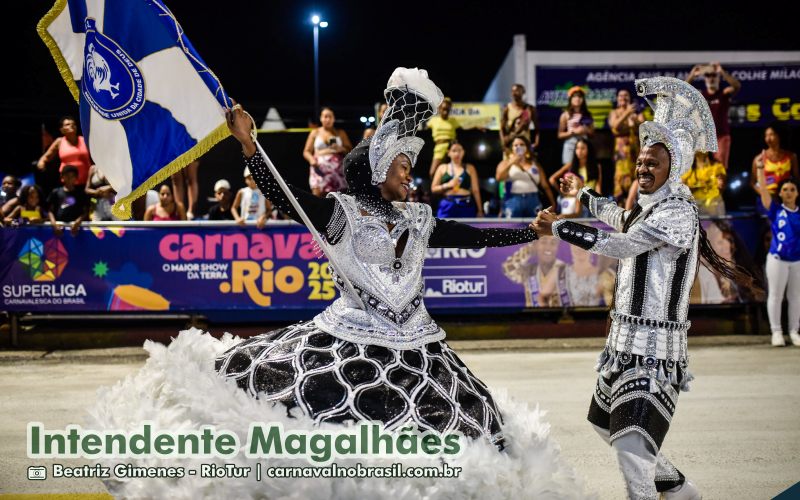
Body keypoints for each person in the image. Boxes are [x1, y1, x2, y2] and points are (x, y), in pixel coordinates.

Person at [87, 68, 584, 498]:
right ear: (378, 167)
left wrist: (528, 229)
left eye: (413, 166)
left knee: (458, 428)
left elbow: (475, 237)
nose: (412, 175)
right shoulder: (339, 212)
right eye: (405, 166)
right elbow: (285, 194)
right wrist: (248, 143)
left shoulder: (419, 217)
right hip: (347, 340)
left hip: (419, 348)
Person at [535, 77, 759, 500]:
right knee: (605, 423)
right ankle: (678, 489)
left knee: (631, 441)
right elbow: (623, 222)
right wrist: (585, 194)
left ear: (673, 167)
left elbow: (621, 244)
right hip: (623, 342)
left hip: (655, 349)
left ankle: (656, 493)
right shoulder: (649, 208)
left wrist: (560, 228)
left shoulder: (678, 213)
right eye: (640, 162)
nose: (642, 169)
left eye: (652, 163)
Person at [755, 163, 800, 346]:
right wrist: (760, 168)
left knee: (796, 297)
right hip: (777, 259)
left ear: (797, 193)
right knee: (775, 295)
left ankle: (794, 331)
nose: (788, 192)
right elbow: (763, 190)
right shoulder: (776, 210)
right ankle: (776, 332)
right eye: (785, 189)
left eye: (792, 189)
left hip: (797, 261)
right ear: (780, 193)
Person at [686, 62, 741, 168]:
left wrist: (722, 72)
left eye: (714, 75)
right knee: (701, 168)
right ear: (705, 79)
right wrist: (692, 75)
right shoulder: (700, 95)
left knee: (720, 169)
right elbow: (681, 90)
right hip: (703, 137)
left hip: (721, 136)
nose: (711, 78)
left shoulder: (723, 93)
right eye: (707, 75)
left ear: (718, 78)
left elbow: (737, 86)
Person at [496, 135, 556, 218]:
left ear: (527, 147)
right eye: (516, 145)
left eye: (522, 144)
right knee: (512, 228)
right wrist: (511, 163)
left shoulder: (535, 164)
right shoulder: (505, 163)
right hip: (514, 199)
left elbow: (545, 185)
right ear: (512, 148)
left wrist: (553, 203)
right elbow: (499, 178)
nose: (519, 147)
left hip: (533, 199)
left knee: (535, 226)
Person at [502, 235, 569, 307]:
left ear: (557, 246)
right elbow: (508, 268)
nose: (548, 247)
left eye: (553, 243)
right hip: (534, 317)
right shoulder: (529, 271)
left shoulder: (566, 271)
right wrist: (529, 249)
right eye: (543, 242)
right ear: (536, 245)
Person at [303, 107, 352, 196]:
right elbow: (306, 151)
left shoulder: (340, 132)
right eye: (325, 116)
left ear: (334, 118)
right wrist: (312, 160)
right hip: (319, 171)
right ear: (321, 118)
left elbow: (350, 151)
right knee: (318, 199)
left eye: (330, 117)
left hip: (337, 173)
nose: (328, 119)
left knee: (337, 200)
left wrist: (341, 149)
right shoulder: (315, 132)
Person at [608, 88, 645, 204]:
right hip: (621, 152)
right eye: (620, 96)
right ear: (617, 99)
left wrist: (636, 121)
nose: (623, 98)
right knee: (620, 177)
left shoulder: (638, 113)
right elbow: (615, 126)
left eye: (626, 96)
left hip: (635, 150)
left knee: (636, 175)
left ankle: (635, 205)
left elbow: (645, 128)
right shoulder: (614, 113)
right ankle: (621, 207)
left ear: (630, 99)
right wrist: (627, 113)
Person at [549, 138, 602, 217]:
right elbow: (552, 179)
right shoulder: (570, 165)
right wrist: (562, 193)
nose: (579, 151)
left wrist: (599, 202)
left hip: (589, 201)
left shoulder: (596, 166)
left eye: (583, 148)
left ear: (589, 150)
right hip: (573, 202)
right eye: (577, 148)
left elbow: (598, 186)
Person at [430, 141, 483, 218]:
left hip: (466, 205)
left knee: (466, 229)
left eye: (460, 150)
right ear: (448, 152)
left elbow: (475, 190)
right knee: (444, 229)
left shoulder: (470, 168)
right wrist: (448, 185)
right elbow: (433, 188)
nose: (457, 153)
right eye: (454, 150)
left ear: (463, 152)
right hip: (447, 205)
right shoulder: (442, 167)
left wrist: (480, 210)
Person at [36, 116, 92, 187]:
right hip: (68, 184)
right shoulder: (59, 142)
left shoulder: (84, 140)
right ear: (62, 130)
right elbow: (45, 158)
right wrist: (41, 163)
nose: (72, 125)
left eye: (73, 124)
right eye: (67, 124)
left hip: (87, 182)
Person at [750, 124, 799, 197]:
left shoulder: (791, 156)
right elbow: (753, 183)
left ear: (779, 136)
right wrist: (764, 194)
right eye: (766, 135)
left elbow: (797, 178)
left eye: (771, 135)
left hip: (786, 197)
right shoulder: (759, 158)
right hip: (766, 198)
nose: (768, 138)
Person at [47, 164, 89, 236]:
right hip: (59, 230)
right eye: (67, 175)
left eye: (72, 176)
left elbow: (86, 212)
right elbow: (50, 211)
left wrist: (78, 222)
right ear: (62, 177)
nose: (69, 178)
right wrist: (54, 224)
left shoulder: (81, 193)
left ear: (76, 178)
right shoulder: (56, 192)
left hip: (76, 231)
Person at [558, 86, 594, 165]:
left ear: (583, 99)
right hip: (570, 144)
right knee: (569, 170)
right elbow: (559, 135)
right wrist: (572, 132)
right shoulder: (565, 115)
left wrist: (585, 130)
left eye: (580, 96)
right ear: (570, 99)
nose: (577, 99)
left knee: (583, 168)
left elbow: (592, 134)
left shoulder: (587, 114)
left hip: (584, 144)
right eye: (574, 96)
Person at [682, 152, 726, 216]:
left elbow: (722, 184)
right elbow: (680, 187)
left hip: (713, 204)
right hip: (694, 206)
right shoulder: (688, 169)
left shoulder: (716, 166)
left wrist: (719, 183)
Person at [500, 83, 540, 153]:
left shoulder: (529, 109)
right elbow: (501, 127)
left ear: (523, 92)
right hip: (510, 142)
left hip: (524, 142)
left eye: (517, 91)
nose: (514, 93)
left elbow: (537, 127)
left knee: (524, 162)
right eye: (512, 91)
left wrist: (536, 142)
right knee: (510, 163)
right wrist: (503, 142)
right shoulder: (507, 108)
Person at [426, 97, 460, 177]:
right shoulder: (433, 121)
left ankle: (453, 187)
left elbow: (465, 127)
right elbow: (422, 126)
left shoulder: (453, 121)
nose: (445, 111)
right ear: (440, 109)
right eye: (444, 108)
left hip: (452, 147)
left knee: (453, 171)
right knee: (432, 172)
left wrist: (476, 126)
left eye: (448, 109)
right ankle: (437, 187)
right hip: (439, 147)